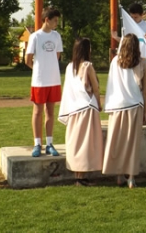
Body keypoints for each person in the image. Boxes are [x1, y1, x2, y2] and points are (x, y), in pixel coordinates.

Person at [102, 33, 146, 189]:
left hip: (118, 106)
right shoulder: (142, 63)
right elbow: (145, 91)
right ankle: (131, 178)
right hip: (135, 105)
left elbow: (111, 84)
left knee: (118, 142)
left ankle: (119, 175)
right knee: (132, 143)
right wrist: (145, 111)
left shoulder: (115, 61)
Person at [58, 38, 103, 186]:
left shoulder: (69, 67)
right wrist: (99, 104)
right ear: (86, 49)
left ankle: (78, 176)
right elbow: (95, 88)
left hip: (74, 109)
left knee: (76, 142)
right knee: (86, 143)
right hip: (87, 108)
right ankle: (81, 177)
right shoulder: (88, 66)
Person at [25, 8, 63, 157]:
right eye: (55, 21)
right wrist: (38, 69)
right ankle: (37, 144)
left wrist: (49, 68)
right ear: (47, 20)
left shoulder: (56, 36)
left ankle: (49, 144)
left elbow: (57, 56)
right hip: (39, 81)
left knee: (50, 112)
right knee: (37, 111)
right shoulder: (35, 36)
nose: (56, 23)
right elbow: (27, 60)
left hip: (53, 80)